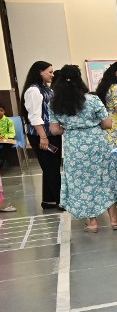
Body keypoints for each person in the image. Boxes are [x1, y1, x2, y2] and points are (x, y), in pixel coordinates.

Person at [47, 64, 117, 232]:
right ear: (79, 79)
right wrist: (91, 125)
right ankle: (114, 220)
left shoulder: (54, 104)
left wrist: (70, 128)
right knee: (105, 178)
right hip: (97, 143)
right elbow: (107, 124)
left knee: (83, 182)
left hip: (74, 146)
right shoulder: (92, 99)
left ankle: (92, 223)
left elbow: (54, 130)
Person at [22, 61, 62, 210]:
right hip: (41, 134)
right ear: (40, 72)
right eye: (50, 72)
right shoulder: (33, 90)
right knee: (51, 168)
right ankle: (59, 200)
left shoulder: (46, 89)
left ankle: (48, 200)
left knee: (52, 167)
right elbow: (34, 116)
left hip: (51, 133)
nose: (53, 75)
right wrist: (43, 137)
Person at [0, 104, 16, 171]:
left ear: (4, 111)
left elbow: (12, 133)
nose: (0, 112)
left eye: (1, 110)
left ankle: (1, 161)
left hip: (7, 139)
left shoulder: (9, 120)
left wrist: (4, 136)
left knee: (5, 147)